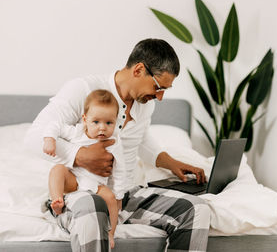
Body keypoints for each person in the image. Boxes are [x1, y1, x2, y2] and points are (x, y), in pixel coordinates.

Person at [24, 38, 210, 252]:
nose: (159, 97)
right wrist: (80, 155)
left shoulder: (144, 104)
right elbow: (33, 137)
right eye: (158, 87)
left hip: (124, 194)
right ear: (139, 70)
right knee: (94, 208)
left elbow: (141, 141)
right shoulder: (83, 89)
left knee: (196, 210)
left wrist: (173, 164)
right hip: (81, 191)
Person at [42, 89, 125, 249]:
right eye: (96, 122)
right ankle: (57, 200)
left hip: (96, 185)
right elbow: (54, 125)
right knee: (58, 169)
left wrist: (119, 195)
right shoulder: (77, 132)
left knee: (111, 199)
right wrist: (49, 139)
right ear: (85, 119)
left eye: (109, 123)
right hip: (73, 179)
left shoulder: (114, 141)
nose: (102, 128)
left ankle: (110, 232)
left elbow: (120, 170)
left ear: (115, 121)